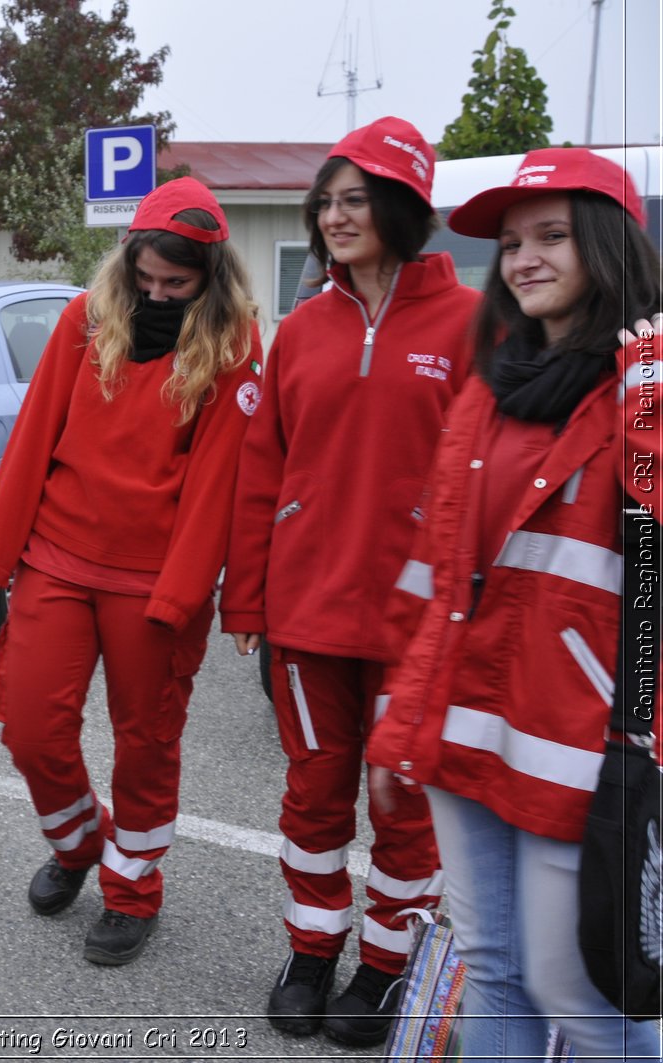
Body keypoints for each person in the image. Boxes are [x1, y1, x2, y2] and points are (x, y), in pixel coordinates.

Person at [368, 147, 661, 1061]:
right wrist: (398, 722)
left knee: (581, 994)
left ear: (609, 246)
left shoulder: (645, 392)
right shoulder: (487, 390)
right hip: (463, 730)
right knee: (492, 966)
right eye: (511, 242)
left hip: (579, 746)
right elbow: (434, 578)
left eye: (552, 236)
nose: (524, 258)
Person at [220, 116, 480, 1046]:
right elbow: (263, 470)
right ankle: (313, 949)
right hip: (308, 614)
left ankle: (384, 962)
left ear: (404, 207)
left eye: (354, 200)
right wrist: (243, 596)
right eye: (325, 202)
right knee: (315, 791)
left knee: (403, 801)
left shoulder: (471, 324)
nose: (334, 216)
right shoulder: (303, 330)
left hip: (420, 622)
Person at [0, 177, 263, 966]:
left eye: (178, 282)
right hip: (59, 555)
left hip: (156, 576)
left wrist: (182, 592)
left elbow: (219, 482)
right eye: (147, 278)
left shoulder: (235, 344)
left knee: (146, 738)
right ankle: (76, 842)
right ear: (128, 263)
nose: (158, 293)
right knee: (30, 725)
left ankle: (133, 889)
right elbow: (36, 432)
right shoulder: (87, 317)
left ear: (211, 275)